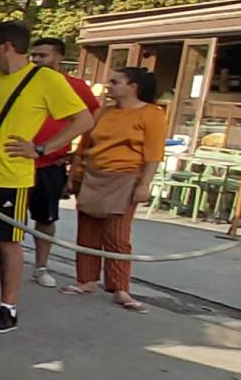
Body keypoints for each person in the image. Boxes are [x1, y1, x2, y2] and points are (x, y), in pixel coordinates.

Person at [0, 20, 91, 333]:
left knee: (7, 241)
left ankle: (8, 307)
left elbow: (83, 119)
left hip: (10, 175)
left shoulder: (45, 80)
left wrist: (42, 149)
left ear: (8, 46)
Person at [72, 65, 169, 311]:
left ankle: (120, 287)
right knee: (87, 229)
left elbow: (154, 152)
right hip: (94, 174)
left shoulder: (151, 113)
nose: (109, 86)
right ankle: (86, 280)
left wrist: (145, 183)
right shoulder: (102, 113)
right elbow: (84, 145)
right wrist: (76, 174)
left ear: (132, 87)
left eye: (116, 82)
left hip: (126, 176)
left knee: (117, 234)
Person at [23, 38, 100, 292]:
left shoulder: (74, 85)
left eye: (42, 56)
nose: (36, 60)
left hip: (50, 161)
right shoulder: (23, 79)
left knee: (45, 216)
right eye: (33, 55)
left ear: (58, 57)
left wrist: (78, 149)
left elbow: (92, 116)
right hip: (16, 158)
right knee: (5, 212)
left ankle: (41, 266)